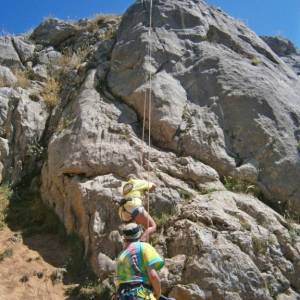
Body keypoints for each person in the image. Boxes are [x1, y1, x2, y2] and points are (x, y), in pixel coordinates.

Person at [115, 223, 175, 300]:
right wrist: (158, 293)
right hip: (142, 294)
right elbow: (153, 276)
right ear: (139, 235)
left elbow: (117, 282)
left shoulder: (121, 256)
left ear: (125, 238)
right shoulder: (144, 247)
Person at [118, 175, 157, 241]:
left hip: (122, 212)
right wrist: (146, 189)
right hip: (134, 205)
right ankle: (140, 246)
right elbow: (153, 186)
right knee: (152, 226)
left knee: (132, 234)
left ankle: (130, 248)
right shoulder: (137, 182)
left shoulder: (124, 186)